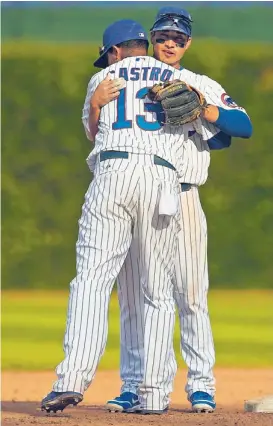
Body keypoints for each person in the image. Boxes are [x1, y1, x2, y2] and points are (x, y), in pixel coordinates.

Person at [89, 7, 252, 414]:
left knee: (191, 294)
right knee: (132, 296)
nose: (170, 44)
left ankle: (201, 385)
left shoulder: (198, 83)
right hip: (136, 191)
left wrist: (204, 110)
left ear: (188, 44)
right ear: (151, 39)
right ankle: (134, 384)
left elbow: (241, 128)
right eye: (163, 36)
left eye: (178, 39)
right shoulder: (123, 79)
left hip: (182, 194)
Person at [41, 19, 195, 414]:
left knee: (91, 281)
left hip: (112, 174)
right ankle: (155, 394)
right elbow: (198, 120)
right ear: (145, 46)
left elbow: (93, 132)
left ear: (112, 51)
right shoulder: (172, 75)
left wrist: (96, 105)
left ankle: (71, 379)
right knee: (157, 292)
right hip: (161, 179)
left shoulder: (103, 79)